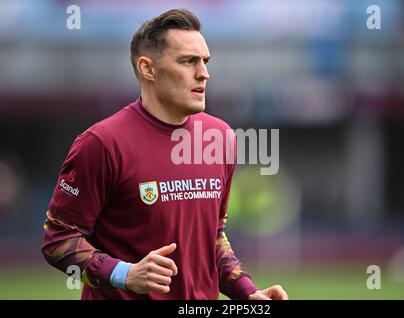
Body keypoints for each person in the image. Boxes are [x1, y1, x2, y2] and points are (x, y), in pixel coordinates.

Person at [41, 8, 288, 300]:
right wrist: (125, 274)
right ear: (148, 69)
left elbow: (212, 237)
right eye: (188, 61)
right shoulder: (102, 144)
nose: (204, 73)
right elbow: (58, 239)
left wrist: (247, 292)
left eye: (205, 61)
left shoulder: (220, 139)